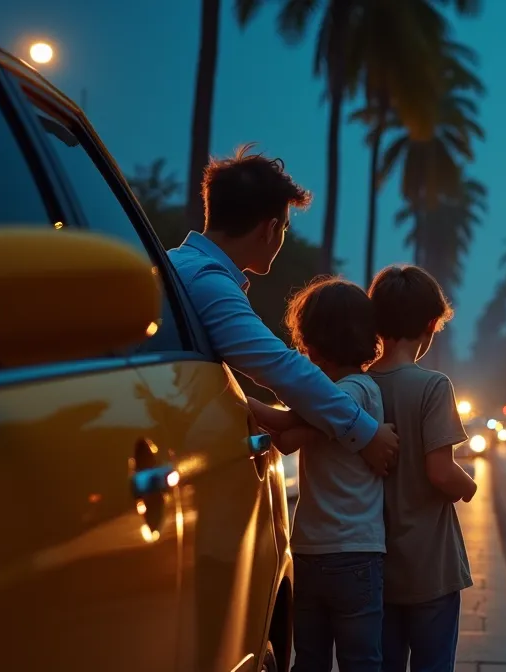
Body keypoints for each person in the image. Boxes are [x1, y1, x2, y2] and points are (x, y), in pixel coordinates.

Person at [166, 144, 398, 471]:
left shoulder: (178, 265)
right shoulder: (206, 281)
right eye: (285, 228)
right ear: (270, 228)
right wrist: (368, 433)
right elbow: (279, 366)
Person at [249, 278, 386, 671]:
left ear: (311, 340)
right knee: (358, 661)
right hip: (349, 553)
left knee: (311, 659)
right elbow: (292, 435)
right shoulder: (348, 392)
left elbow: (289, 432)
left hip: (332, 553)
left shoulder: (354, 393)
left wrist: (242, 401)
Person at [364, 265, 477, 672]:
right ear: (431, 324)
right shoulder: (433, 386)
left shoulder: (357, 385)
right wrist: (470, 486)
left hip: (377, 565)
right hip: (431, 567)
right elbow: (440, 472)